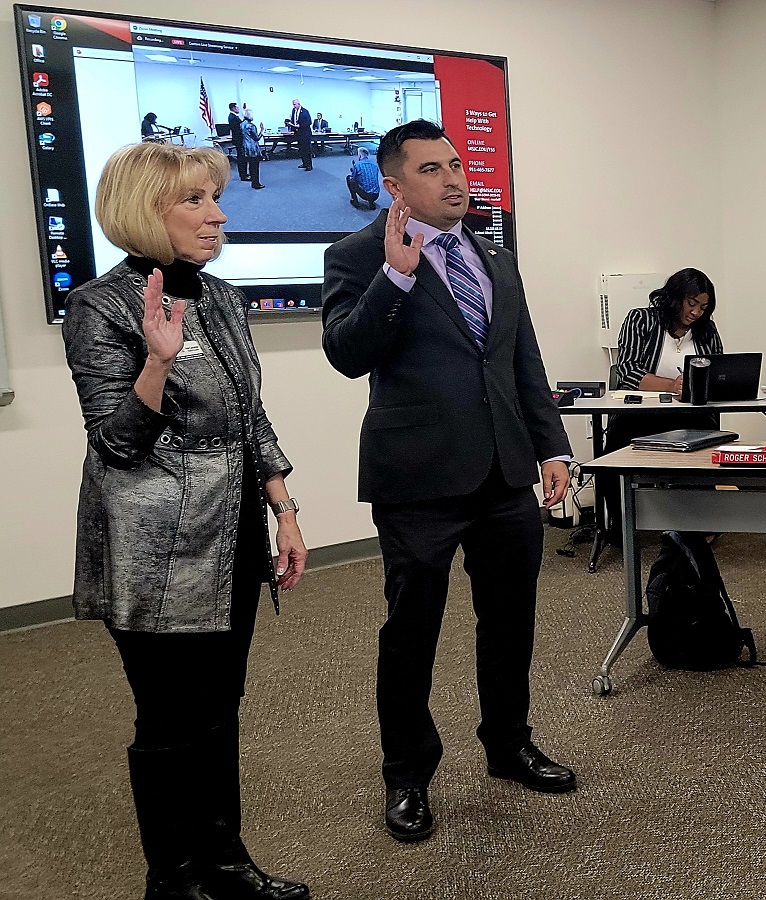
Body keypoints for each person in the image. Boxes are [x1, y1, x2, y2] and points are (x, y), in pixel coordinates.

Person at [61, 142, 309, 900]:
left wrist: (284, 509)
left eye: (215, 197)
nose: (218, 214)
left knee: (218, 708)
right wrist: (157, 363)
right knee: (170, 718)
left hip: (229, 535)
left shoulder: (225, 297)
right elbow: (114, 441)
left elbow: (247, 414)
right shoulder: (98, 306)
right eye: (196, 201)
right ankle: (173, 879)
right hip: (155, 551)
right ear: (147, 210)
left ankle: (226, 861)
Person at [321, 119, 576, 845]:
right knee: (411, 634)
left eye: (458, 164)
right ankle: (408, 776)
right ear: (394, 185)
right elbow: (346, 351)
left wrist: (551, 448)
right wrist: (396, 274)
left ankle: (508, 743)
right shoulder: (357, 254)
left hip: (502, 472)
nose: (455, 179)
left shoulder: (494, 257)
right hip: (417, 480)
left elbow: (522, 361)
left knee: (509, 620)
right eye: (432, 170)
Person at [599, 268, 723, 539]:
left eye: (703, 307)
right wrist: (672, 386)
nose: (696, 313)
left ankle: (702, 525)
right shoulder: (641, 319)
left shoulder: (706, 330)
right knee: (613, 455)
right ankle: (619, 528)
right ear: (675, 297)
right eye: (691, 304)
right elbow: (628, 371)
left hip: (690, 415)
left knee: (708, 447)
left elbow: (720, 369)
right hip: (642, 413)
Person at [239, 108, 265, 191]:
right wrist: (262, 130)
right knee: (255, 166)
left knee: (250, 165)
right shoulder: (251, 126)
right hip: (252, 148)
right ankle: (256, 183)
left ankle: (253, 181)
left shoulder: (241, 124)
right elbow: (256, 138)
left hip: (245, 147)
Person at [286, 100, 312, 171]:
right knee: (301, 149)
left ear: (299, 104)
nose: (294, 106)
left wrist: (300, 125)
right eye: (293, 104)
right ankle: (304, 163)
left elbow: (309, 122)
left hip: (305, 133)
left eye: (295, 104)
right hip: (298, 133)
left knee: (307, 149)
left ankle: (309, 165)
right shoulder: (293, 110)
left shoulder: (305, 111)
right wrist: (291, 124)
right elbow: (293, 119)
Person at [226, 102, 248, 182]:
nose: (238, 109)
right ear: (234, 108)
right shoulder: (233, 118)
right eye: (237, 108)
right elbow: (242, 126)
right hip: (239, 140)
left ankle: (245, 173)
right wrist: (246, 115)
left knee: (242, 157)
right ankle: (243, 175)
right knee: (241, 158)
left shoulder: (233, 116)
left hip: (238, 140)